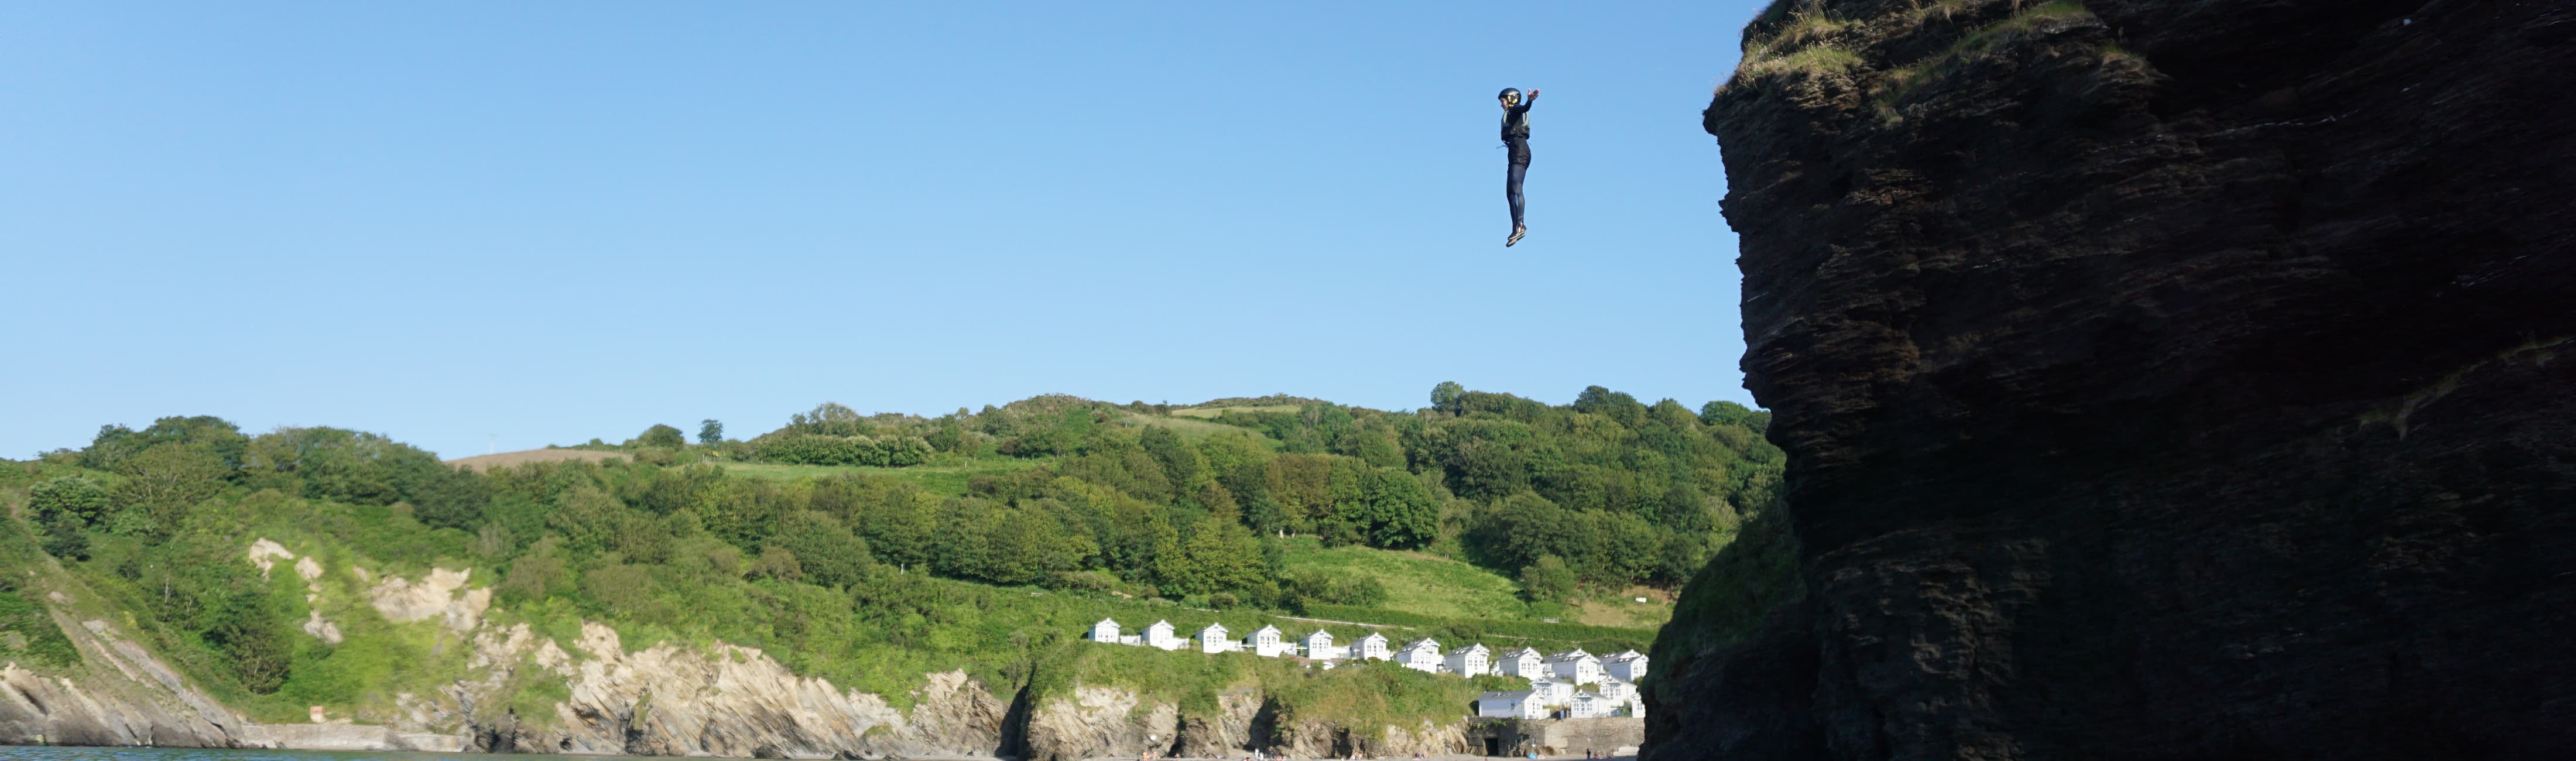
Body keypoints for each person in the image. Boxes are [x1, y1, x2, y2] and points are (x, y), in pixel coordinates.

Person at [1497, 86, 1540, 246]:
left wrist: (1530, 101)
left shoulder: (1515, 110)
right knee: (1510, 192)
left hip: (1520, 151)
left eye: (1503, 101)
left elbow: (1524, 108)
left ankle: (1520, 225)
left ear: (1511, 99)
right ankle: (1516, 226)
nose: (1501, 105)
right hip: (1514, 152)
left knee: (1516, 187)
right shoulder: (1510, 114)